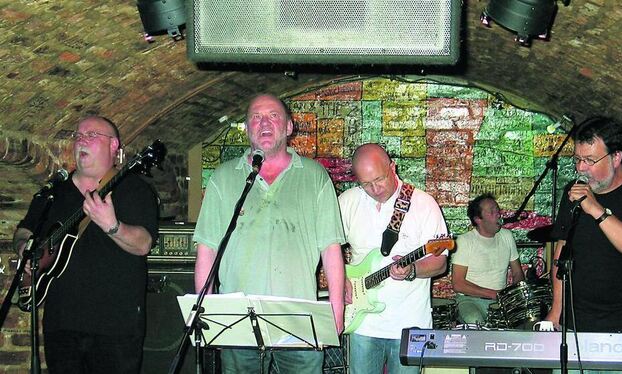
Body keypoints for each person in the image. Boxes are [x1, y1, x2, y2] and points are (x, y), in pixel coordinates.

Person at [193, 94, 345, 373]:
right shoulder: (223, 177)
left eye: (273, 116)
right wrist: (208, 313)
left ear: (289, 127)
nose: (264, 123)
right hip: (238, 321)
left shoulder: (315, 176)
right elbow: (207, 249)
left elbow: (331, 249)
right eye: (255, 117)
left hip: (299, 321)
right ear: (247, 128)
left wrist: (336, 312)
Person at [13, 116, 159, 374]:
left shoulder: (133, 190)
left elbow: (143, 244)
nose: (82, 140)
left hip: (115, 326)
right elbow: (25, 229)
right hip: (61, 322)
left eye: (92, 135)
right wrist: (24, 245)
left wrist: (111, 225)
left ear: (114, 145)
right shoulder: (54, 192)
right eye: (78, 136)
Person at [546, 117, 622, 351]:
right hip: (576, 325)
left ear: (616, 157)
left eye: (590, 160)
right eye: (578, 159)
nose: (581, 168)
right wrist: (556, 311)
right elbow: (562, 250)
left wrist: (597, 210)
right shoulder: (573, 191)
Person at [339, 143, 449, 374]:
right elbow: (330, 246)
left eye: (379, 179)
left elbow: (440, 263)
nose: (375, 189)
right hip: (363, 323)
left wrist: (412, 270)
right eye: (366, 184)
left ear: (393, 167)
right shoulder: (348, 201)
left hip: (409, 325)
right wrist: (342, 279)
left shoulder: (423, 204)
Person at [451, 193, 524, 325]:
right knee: (475, 321)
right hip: (470, 300)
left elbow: (517, 272)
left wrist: (514, 295)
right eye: (492, 211)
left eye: (498, 210)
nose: (498, 214)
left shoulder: (507, 236)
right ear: (478, 219)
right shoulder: (465, 241)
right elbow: (458, 284)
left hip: (500, 302)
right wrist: (494, 294)